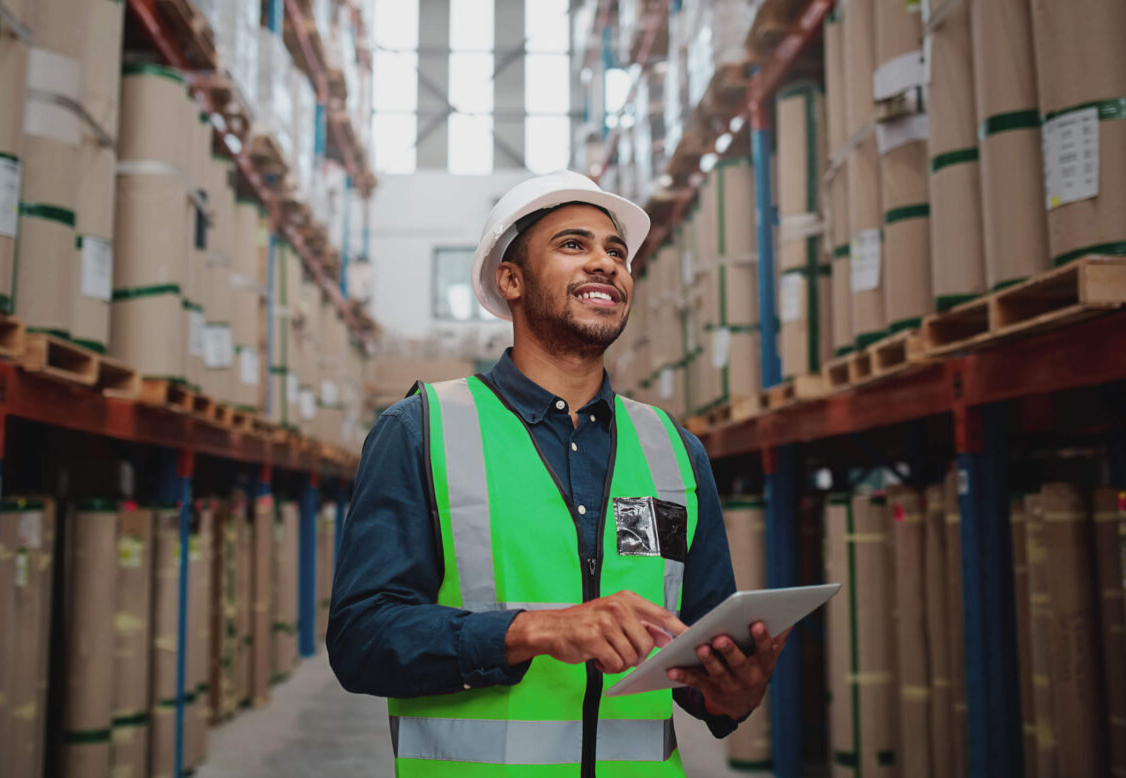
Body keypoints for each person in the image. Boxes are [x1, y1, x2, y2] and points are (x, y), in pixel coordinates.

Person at [328, 170, 787, 776]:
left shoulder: (673, 451)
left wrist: (735, 690)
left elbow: (699, 660)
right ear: (510, 280)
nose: (605, 263)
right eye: (574, 245)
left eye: (616, 251)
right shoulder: (423, 430)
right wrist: (532, 631)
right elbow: (363, 639)